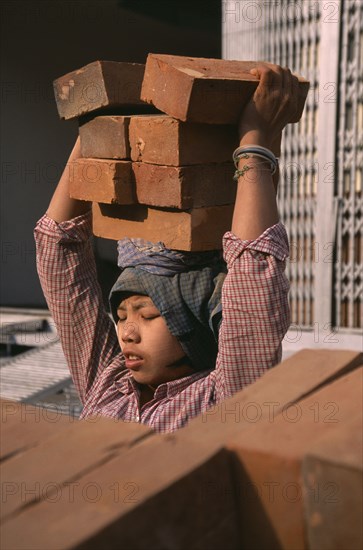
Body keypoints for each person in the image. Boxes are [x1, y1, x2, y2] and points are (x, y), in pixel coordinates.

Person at [35, 62, 297, 433]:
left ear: (191, 316)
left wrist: (256, 142)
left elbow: (253, 281)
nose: (127, 332)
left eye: (148, 314)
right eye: (122, 315)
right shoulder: (107, 385)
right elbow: (58, 254)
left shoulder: (222, 400)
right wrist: (97, 136)